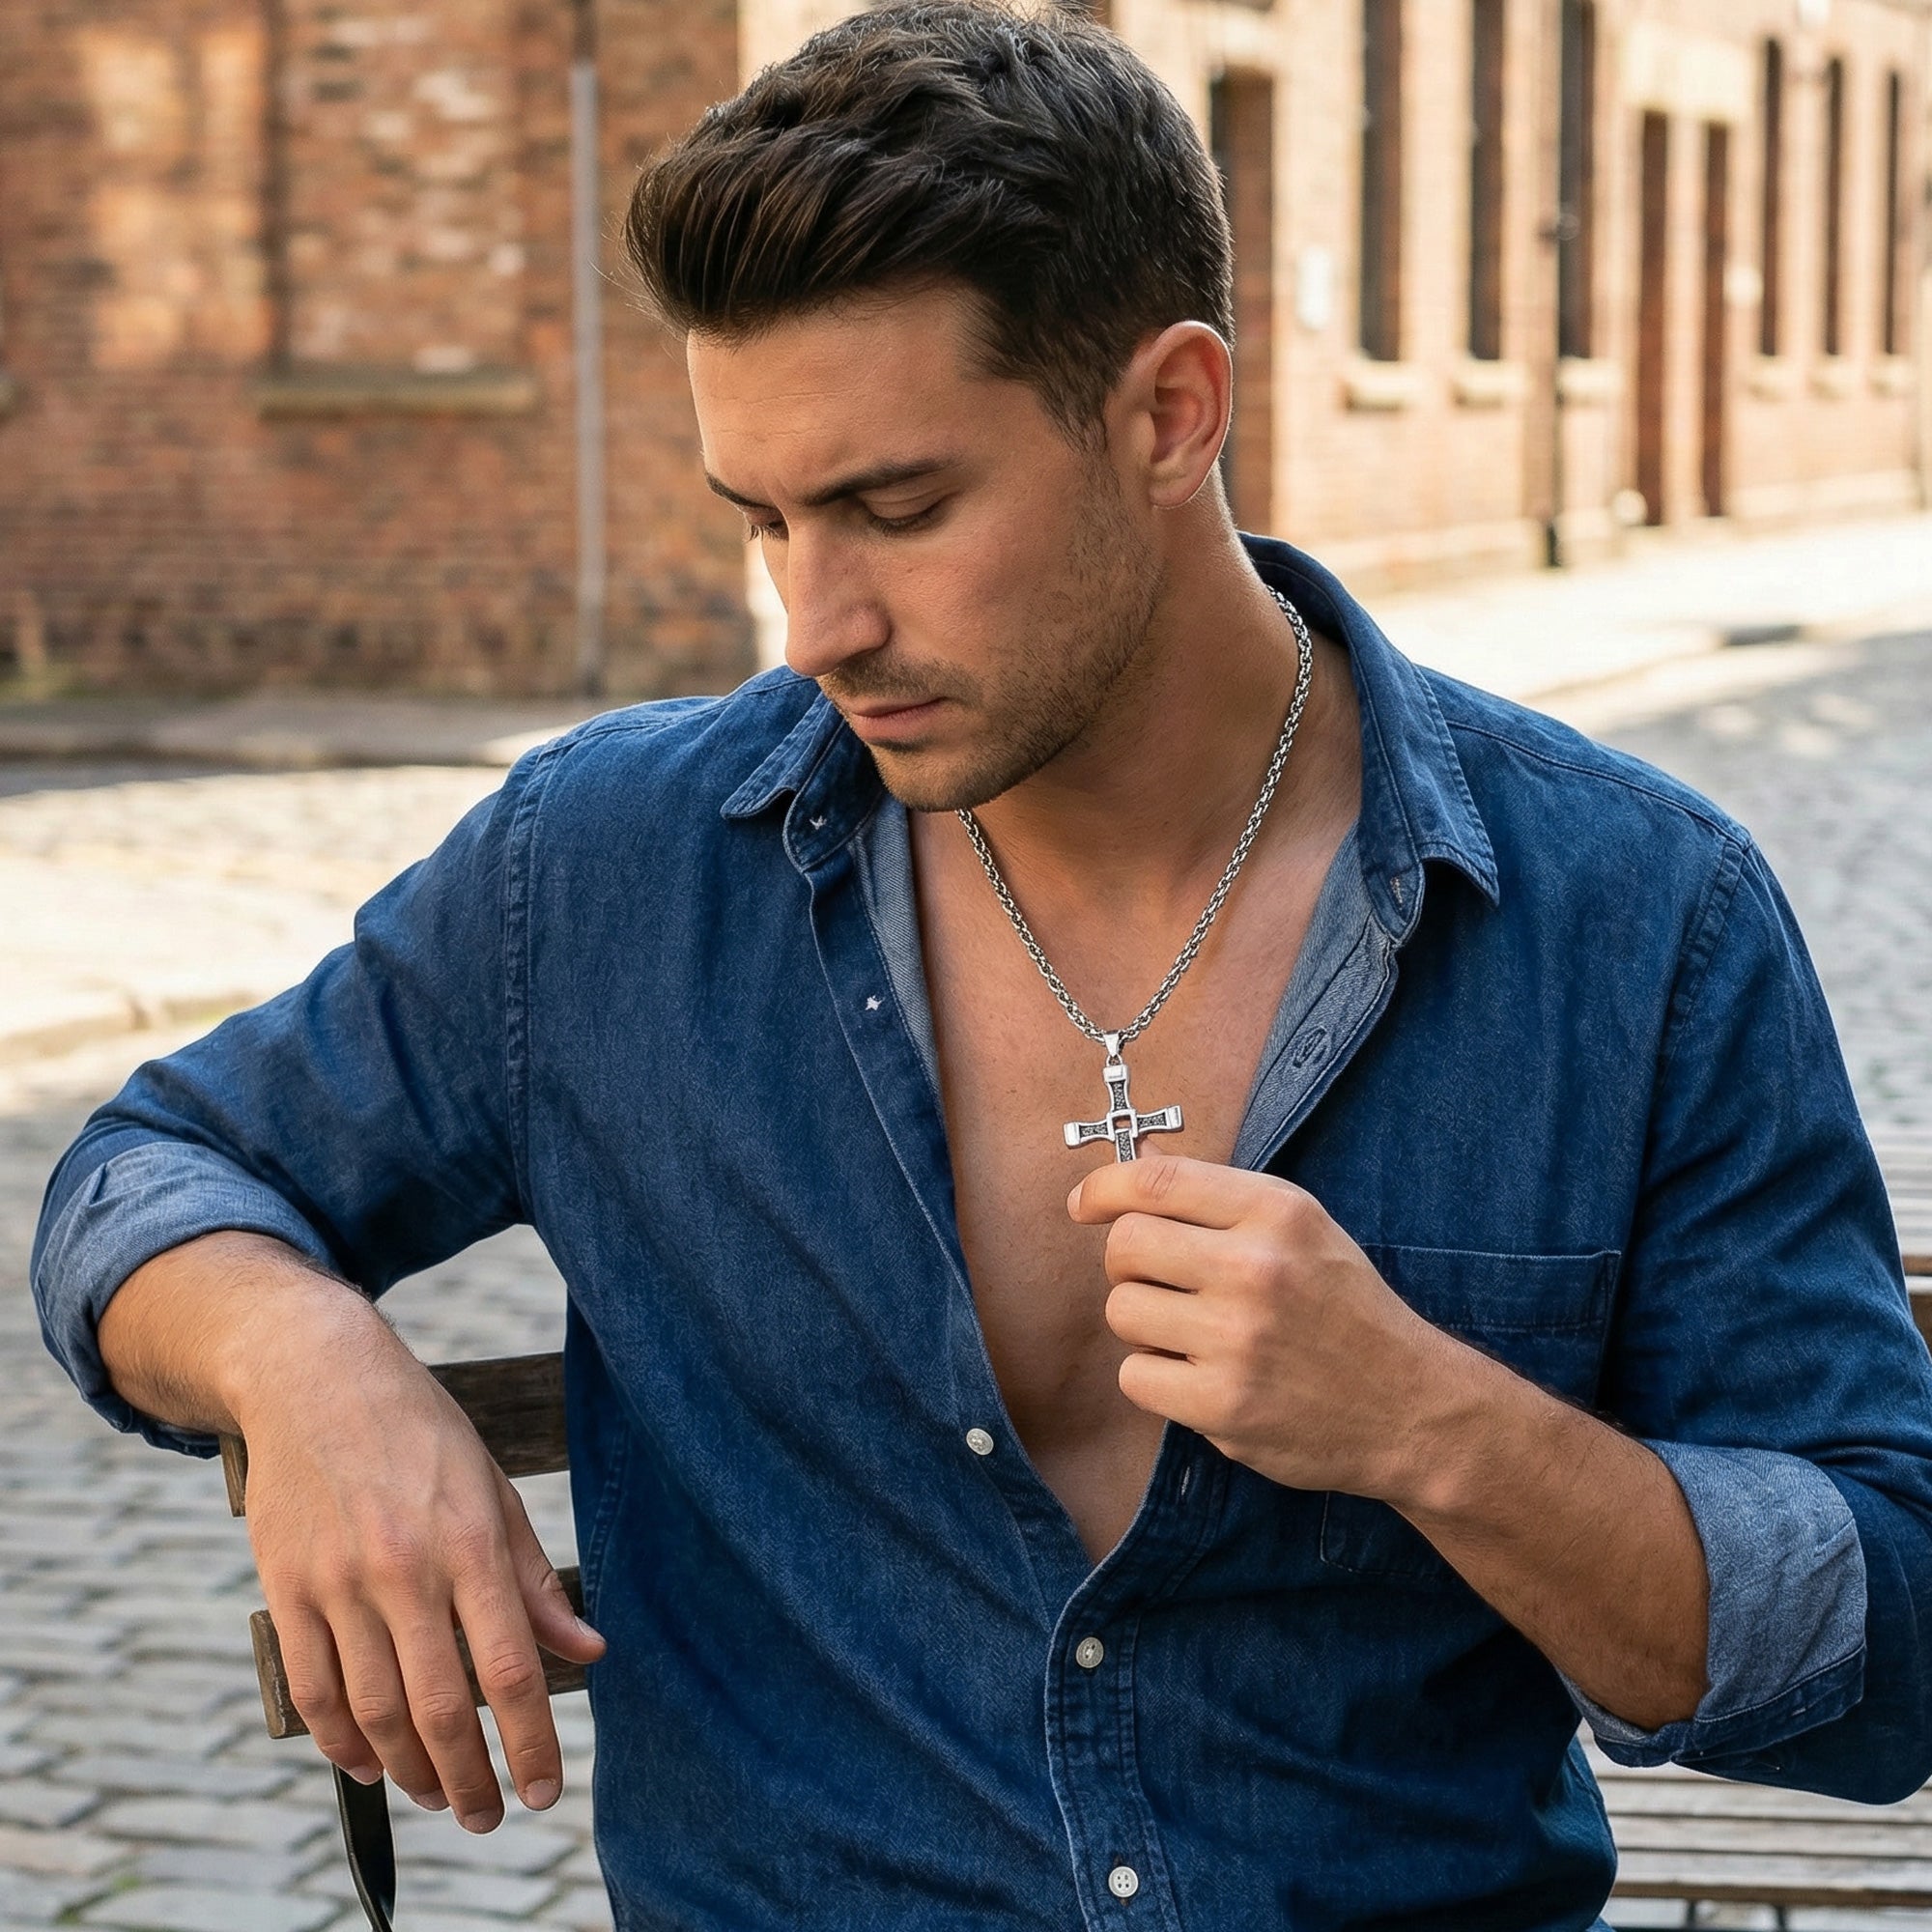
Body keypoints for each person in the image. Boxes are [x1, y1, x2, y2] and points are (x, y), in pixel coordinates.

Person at [32, 4, 1932, 1925]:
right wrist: (306, 1360)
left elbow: (1878, 1648)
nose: (819, 625)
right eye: (764, 519)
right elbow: (142, 1178)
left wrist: (1436, 1426)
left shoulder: (1629, 915)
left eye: (897, 506)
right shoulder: (604, 875)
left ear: (1167, 411)